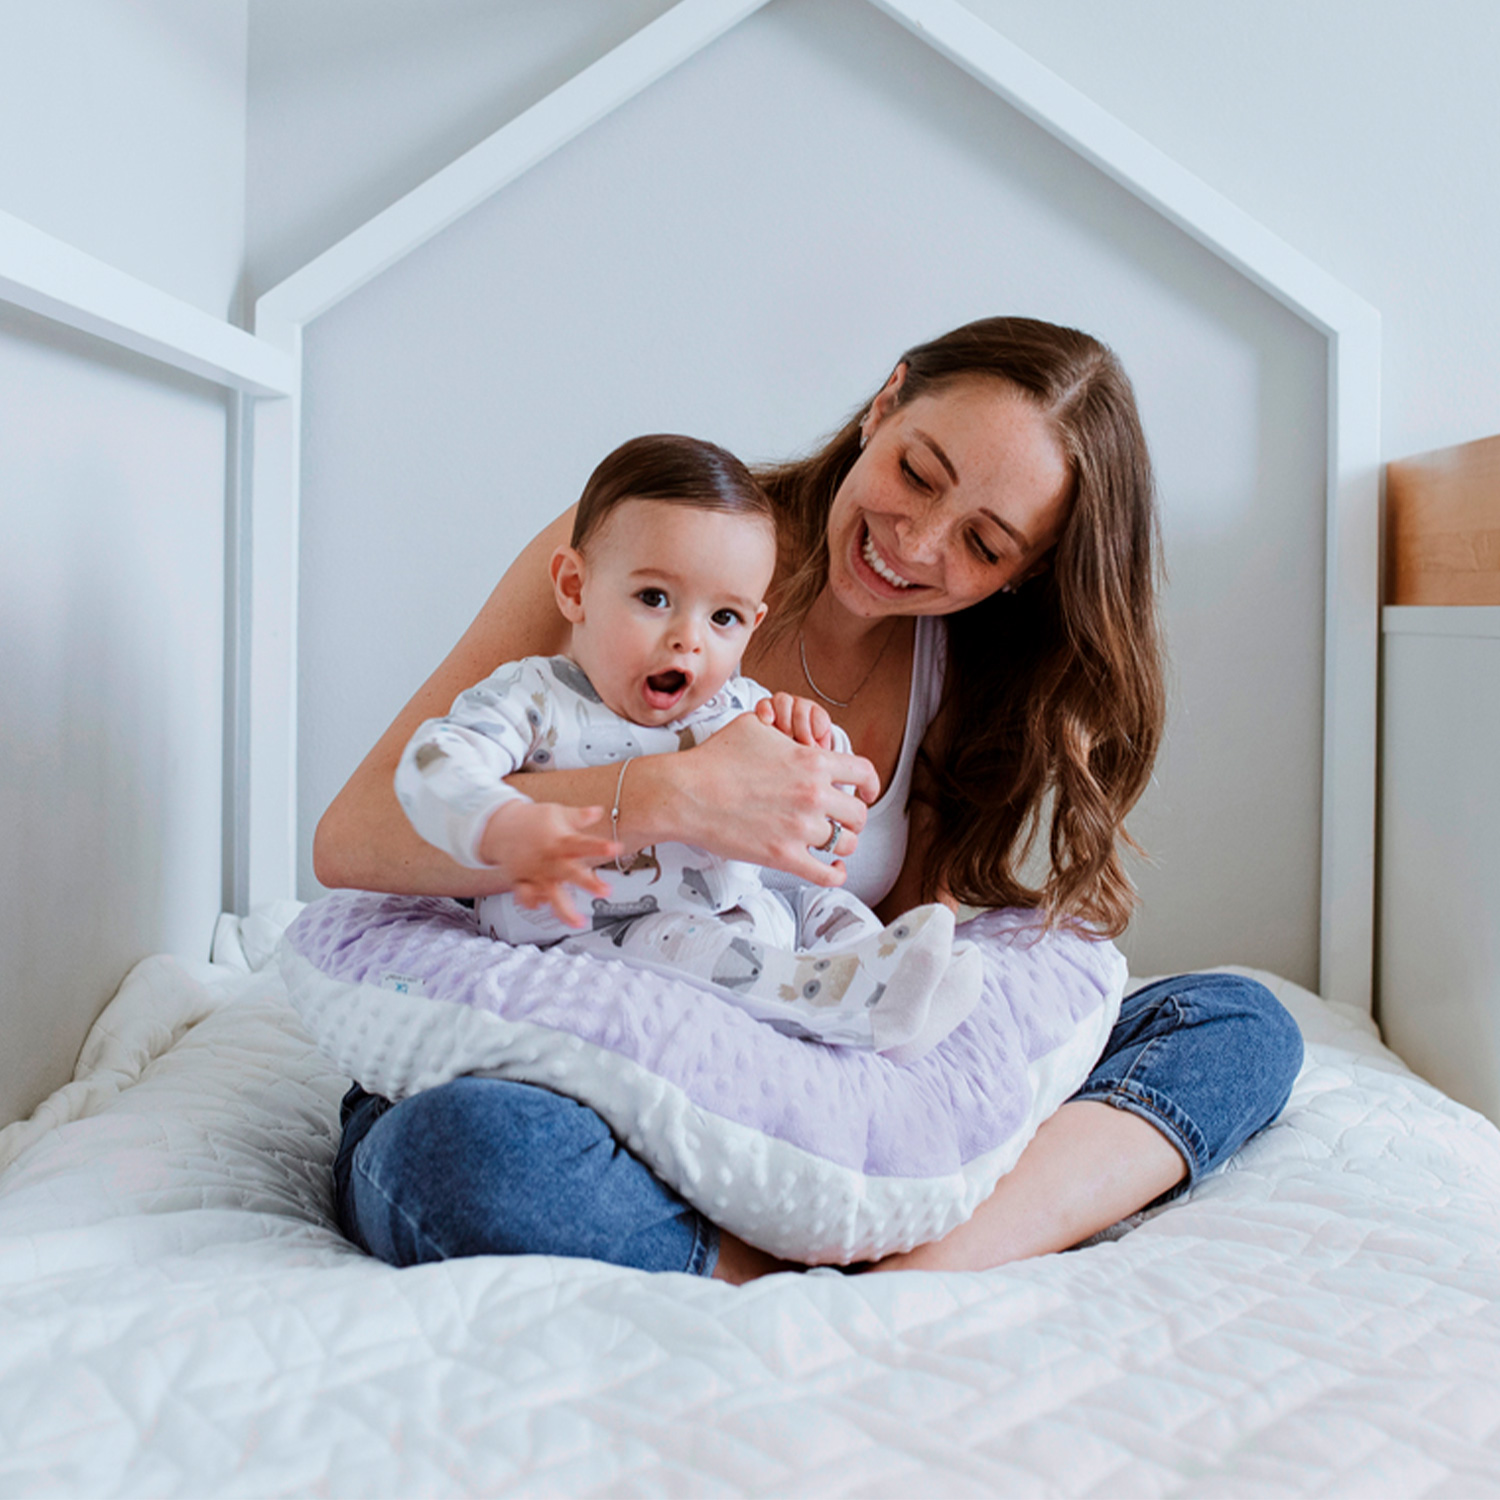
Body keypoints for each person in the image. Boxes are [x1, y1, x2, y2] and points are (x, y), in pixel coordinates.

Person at [317, 316, 1304, 1283]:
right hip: (573, 1050)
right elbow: (352, 840)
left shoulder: (966, 680)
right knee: (458, 1156)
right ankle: (787, 1271)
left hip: (778, 1082)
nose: (916, 545)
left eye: (985, 544)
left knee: (1238, 1028)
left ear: (1029, 571)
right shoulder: (652, 551)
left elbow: (893, 959)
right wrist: (669, 796)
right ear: (885, 404)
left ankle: (924, 1259)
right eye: (920, 474)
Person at [394, 433, 979, 1062]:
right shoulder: (537, 698)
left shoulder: (731, 707)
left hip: (737, 917)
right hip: (595, 938)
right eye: (653, 599)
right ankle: (840, 1009)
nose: (687, 640)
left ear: (752, 625)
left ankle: (888, 1000)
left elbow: (821, 800)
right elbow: (432, 762)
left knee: (821, 906)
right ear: (574, 588)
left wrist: (811, 741)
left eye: (721, 618)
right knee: (673, 939)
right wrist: (497, 823)